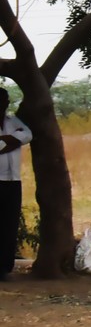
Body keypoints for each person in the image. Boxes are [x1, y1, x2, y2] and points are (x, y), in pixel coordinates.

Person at [0, 87, 29, 280]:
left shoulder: (12, 121)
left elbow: (27, 134)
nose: (5, 104)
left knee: (10, 224)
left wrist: (10, 140)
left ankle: (5, 268)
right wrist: (13, 141)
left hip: (13, 180)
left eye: (6, 100)